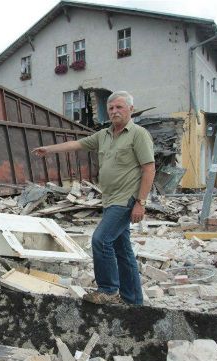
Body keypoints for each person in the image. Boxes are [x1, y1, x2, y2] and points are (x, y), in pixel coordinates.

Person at [32, 91, 155, 305]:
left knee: (100, 240)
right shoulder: (104, 135)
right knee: (122, 250)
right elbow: (77, 145)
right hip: (110, 200)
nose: (115, 111)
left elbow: (149, 168)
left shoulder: (138, 134)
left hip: (126, 199)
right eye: (111, 108)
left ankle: (108, 290)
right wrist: (48, 149)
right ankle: (133, 300)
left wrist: (140, 202)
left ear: (131, 110)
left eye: (119, 107)